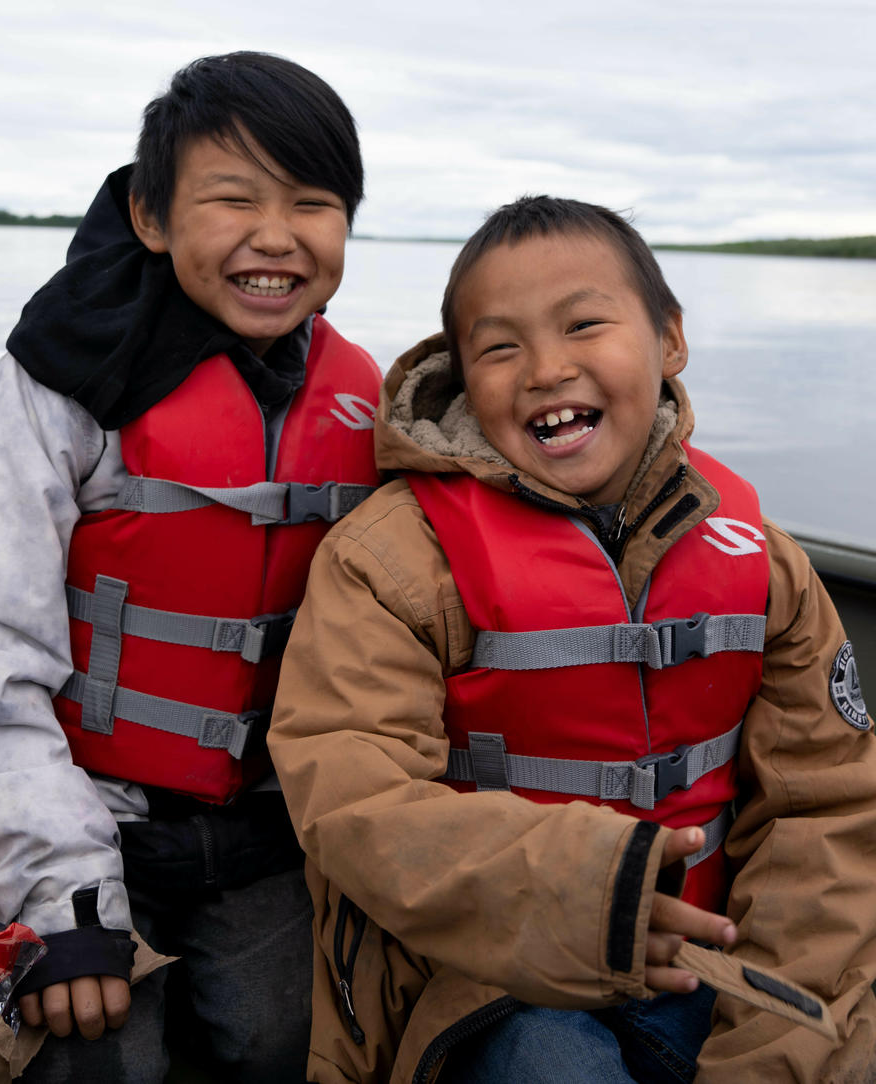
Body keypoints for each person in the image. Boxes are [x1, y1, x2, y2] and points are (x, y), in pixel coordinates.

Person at [266, 195, 876, 1082]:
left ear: (669, 340)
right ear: (462, 374)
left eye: (585, 324)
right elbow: (352, 794)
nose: (548, 369)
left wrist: (769, 1043)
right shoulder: (391, 559)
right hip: (494, 984)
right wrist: (590, 895)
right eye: (501, 347)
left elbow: (828, 808)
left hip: (733, 967)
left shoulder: (764, 562)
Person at [0, 52, 381, 1083]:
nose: (275, 234)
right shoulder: (59, 386)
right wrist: (59, 897)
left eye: (313, 201)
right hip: (79, 815)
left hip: (269, 831)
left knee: (283, 1046)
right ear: (151, 217)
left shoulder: (367, 402)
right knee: (94, 1052)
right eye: (232, 199)